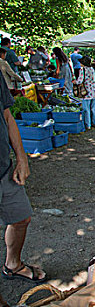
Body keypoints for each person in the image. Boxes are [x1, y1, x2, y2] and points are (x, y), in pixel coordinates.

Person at [0, 75, 47, 288]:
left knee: (21, 218)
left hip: (4, 169)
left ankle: (13, 264)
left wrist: (21, 158)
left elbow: (7, 116)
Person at [74, 56, 95, 129]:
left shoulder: (82, 70)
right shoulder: (92, 69)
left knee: (86, 109)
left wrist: (75, 82)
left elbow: (80, 81)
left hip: (86, 91)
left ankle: (88, 125)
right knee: (94, 108)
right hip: (94, 90)